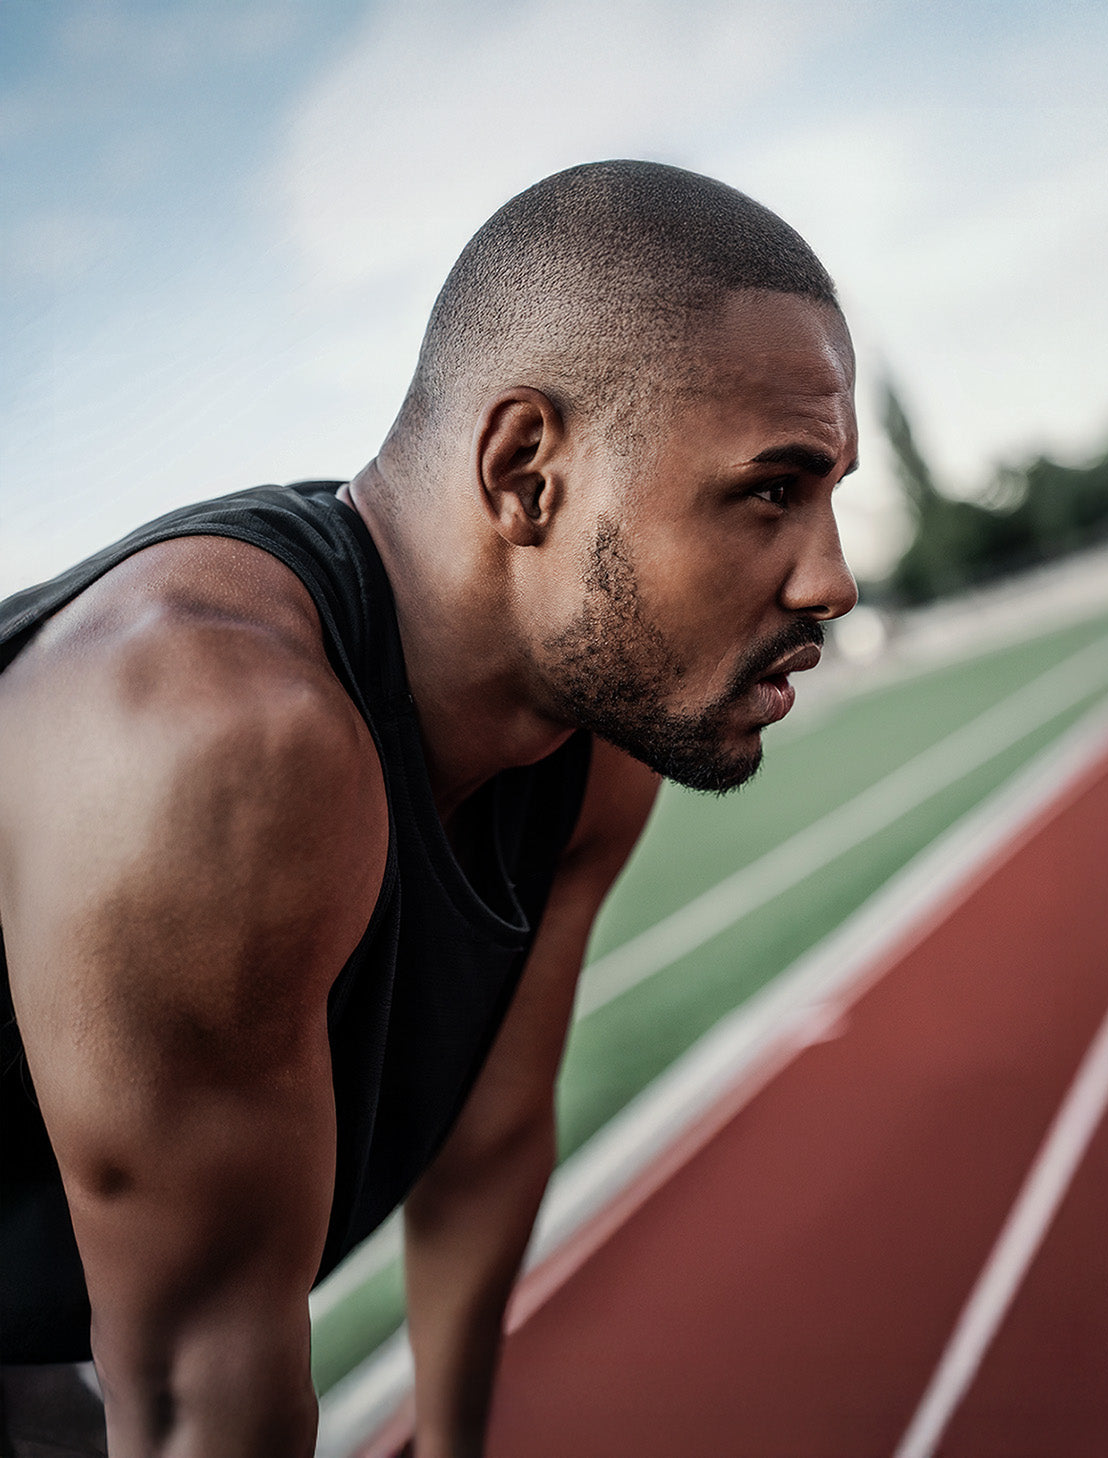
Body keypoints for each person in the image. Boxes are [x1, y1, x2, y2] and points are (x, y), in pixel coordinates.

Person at [0, 159, 859, 1456]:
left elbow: (488, 1132)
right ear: (527, 471)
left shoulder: (592, 736)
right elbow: (194, 1400)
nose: (833, 580)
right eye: (772, 490)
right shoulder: (215, 744)